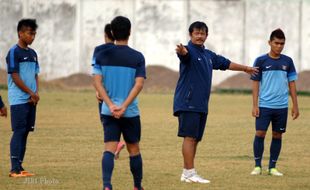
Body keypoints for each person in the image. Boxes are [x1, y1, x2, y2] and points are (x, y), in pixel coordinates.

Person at [174, 21, 258, 184]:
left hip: (201, 103)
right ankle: (189, 173)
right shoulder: (188, 50)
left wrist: (246, 68)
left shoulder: (208, 55)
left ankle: (187, 172)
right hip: (188, 101)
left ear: (207, 35)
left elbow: (226, 64)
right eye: (196, 33)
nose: (199, 36)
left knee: (196, 138)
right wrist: (182, 52)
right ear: (190, 35)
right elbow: (184, 55)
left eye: (202, 33)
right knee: (189, 137)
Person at [92, 16, 145, 190]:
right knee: (134, 150)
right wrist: (124, 106)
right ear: (130, 32)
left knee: (109, 148)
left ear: (112, 33)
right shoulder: (138, 57)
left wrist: (110, 104)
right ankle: (137, 186)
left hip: (108, 111)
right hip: (130, 112)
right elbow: (139, 84)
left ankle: (107, 186)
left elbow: (97, 82)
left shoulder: (101, 54)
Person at [250, 29, 299, 176]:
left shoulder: (288, 61)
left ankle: (272, 167)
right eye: (276, 43)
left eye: (282, 44)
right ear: (269, 43)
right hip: (264, 105)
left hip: (281, 107)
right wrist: (254, 105)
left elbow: (292, 83)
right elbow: (255, 83)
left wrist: (295, 105)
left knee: (278, 135)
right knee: (260, 133)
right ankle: (257, 166)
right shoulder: (260, 61)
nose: (279, 46)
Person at [6, 18, 39, 177]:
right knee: (19, 131)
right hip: (19, 100)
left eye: (34, 34)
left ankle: (19, 166)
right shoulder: (14, 52)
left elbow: (35, 75)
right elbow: (15, 76)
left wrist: (36, 93)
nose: (32, 37)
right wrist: (30, 93)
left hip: (31, 100)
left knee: (25, 132)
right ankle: (13, 168)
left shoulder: (33, 54)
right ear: (20, 33)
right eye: (29, 33)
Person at [92, 23, 125, 160]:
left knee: (105, 119)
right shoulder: (121, 50)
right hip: (119, 90)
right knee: (119, 118)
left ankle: (113, 147)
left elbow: (96, 71)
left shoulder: (99, 50)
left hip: (104, 90)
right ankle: (116, 145)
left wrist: (97, 90)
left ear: (105, 35)